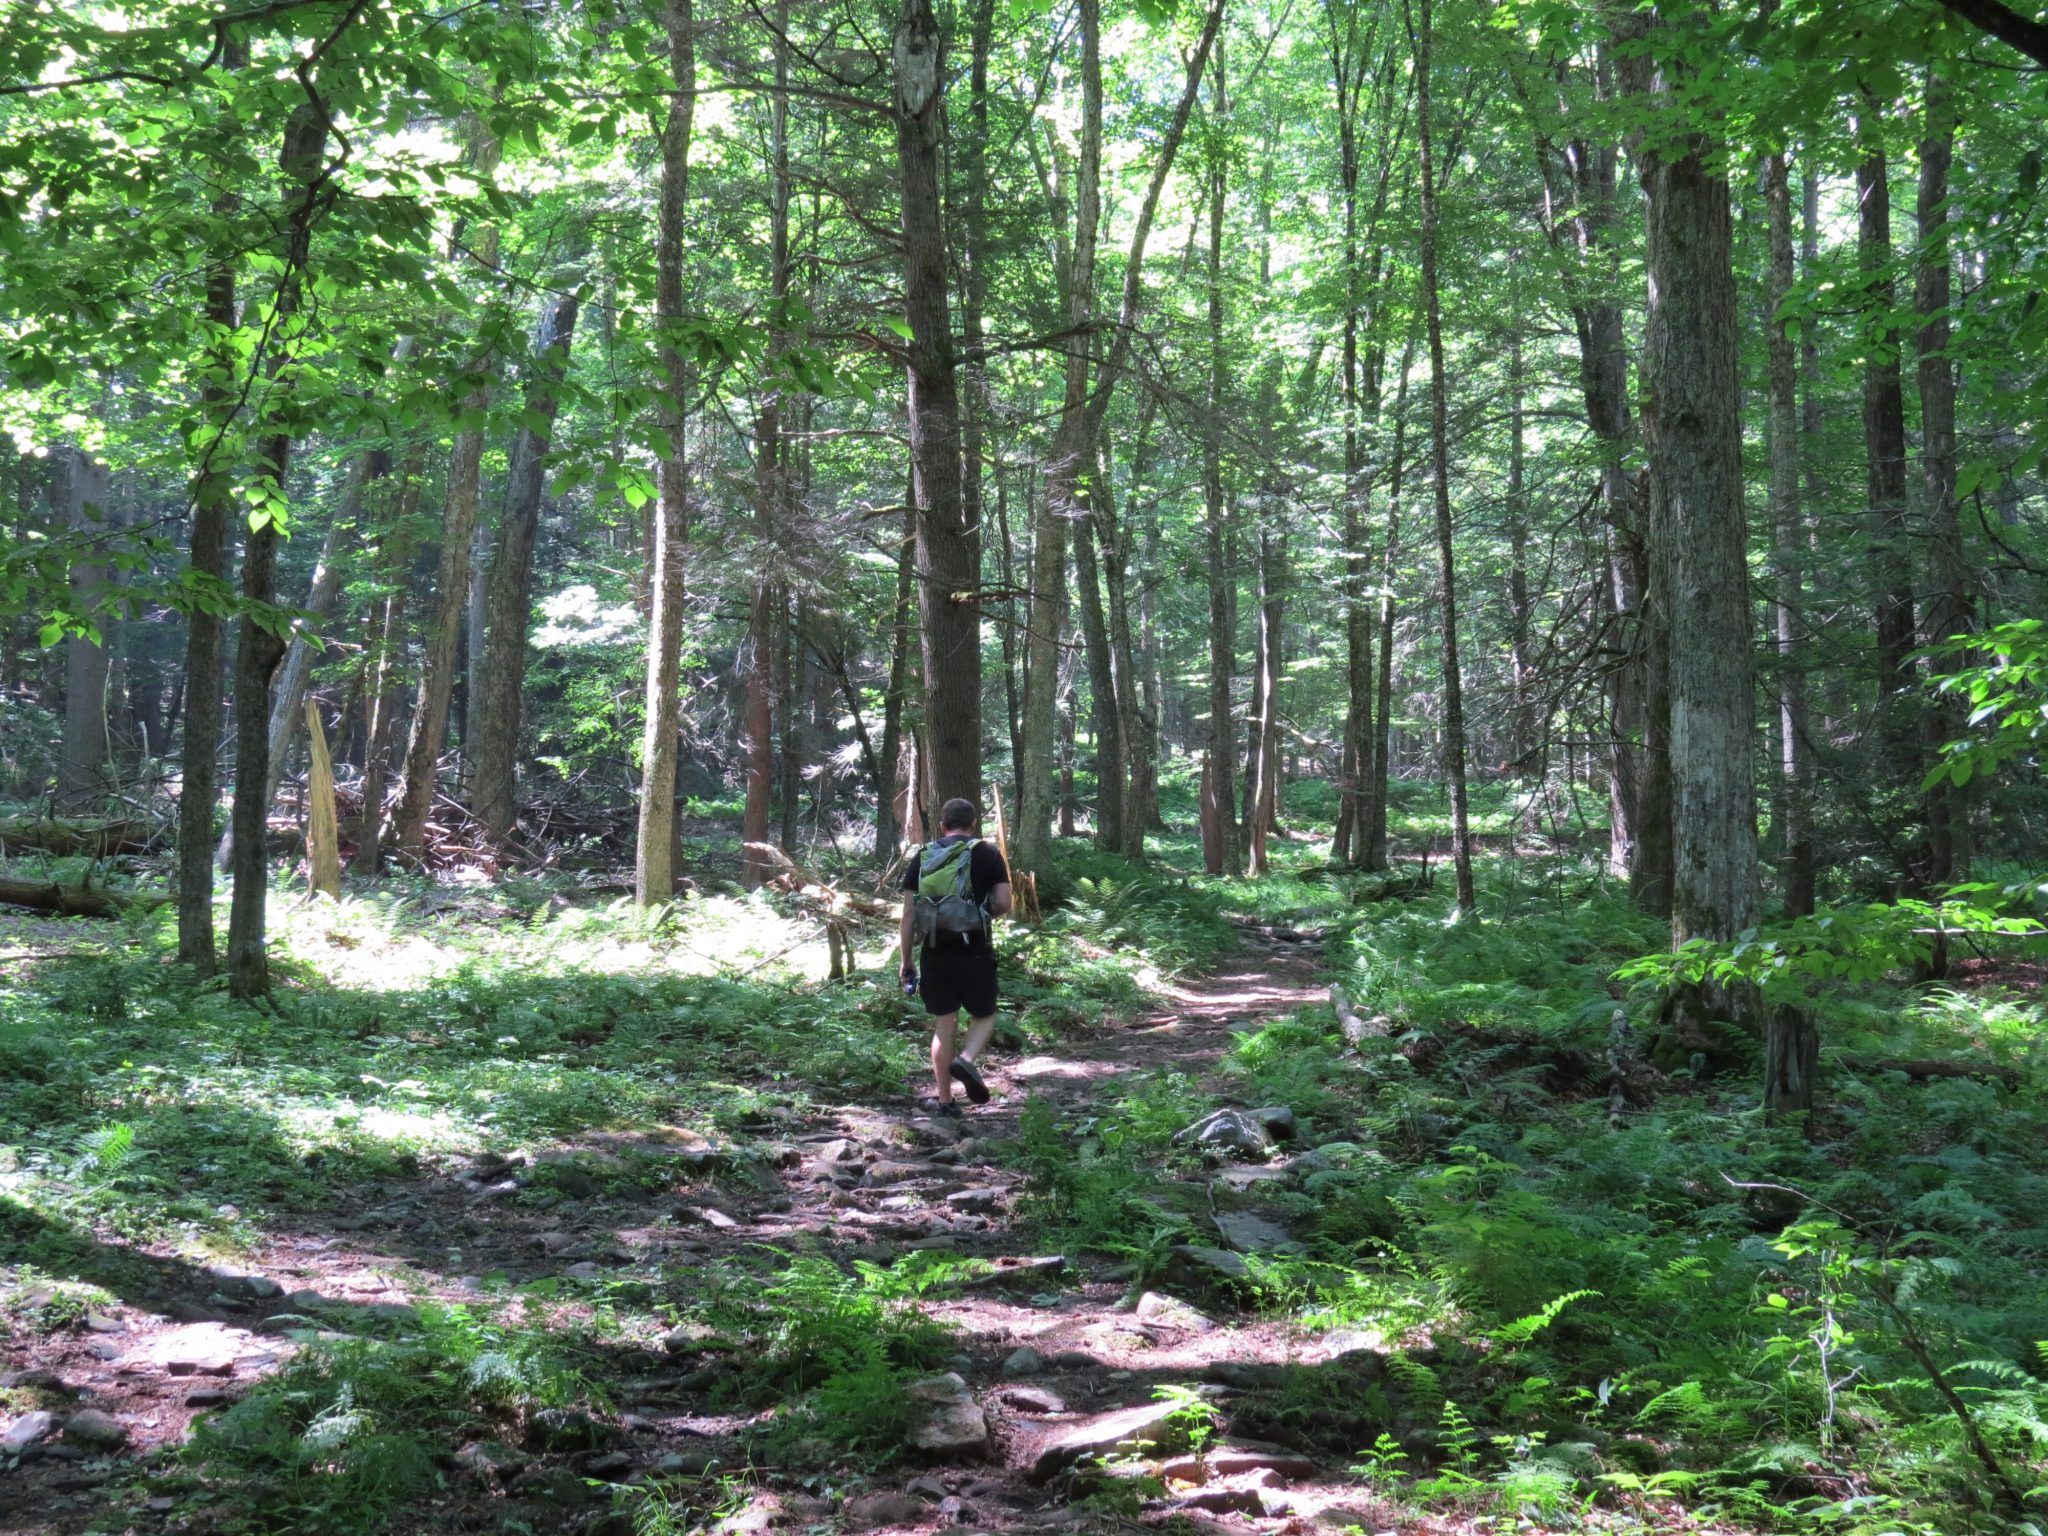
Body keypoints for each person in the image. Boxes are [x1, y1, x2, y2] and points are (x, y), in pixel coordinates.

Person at [899, 797, 1012, 1117]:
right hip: (974, 948)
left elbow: (908, 915)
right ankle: (965, 1060)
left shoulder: (924, 855)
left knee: (943, 1023)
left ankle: (945, 1102)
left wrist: (906, 959)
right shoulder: (987, 852)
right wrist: (977, 915)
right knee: (985, 1014)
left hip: (934, 949)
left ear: (942, 824)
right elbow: (1004, 903)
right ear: (973, 824)